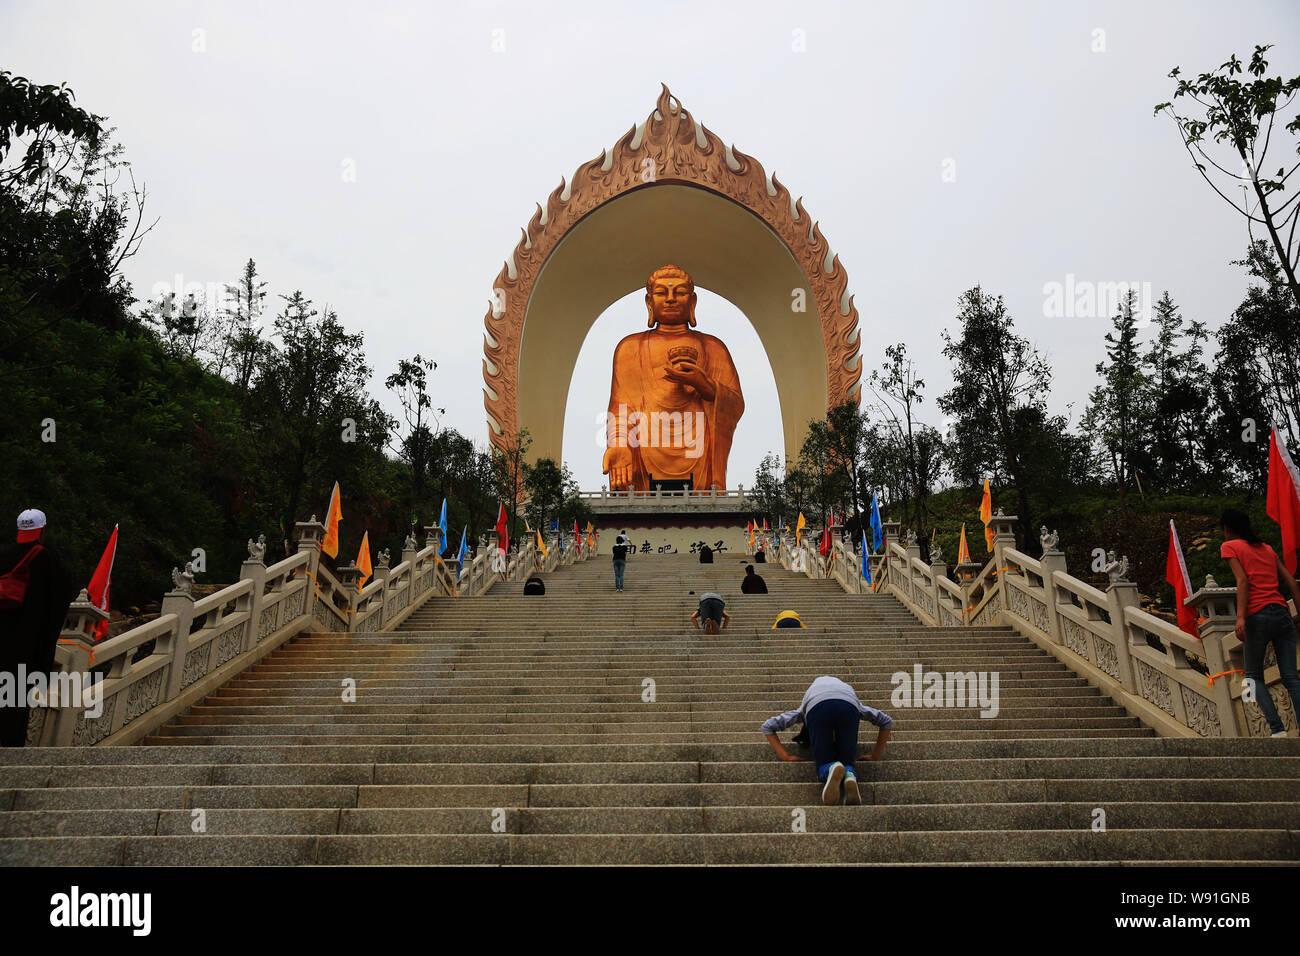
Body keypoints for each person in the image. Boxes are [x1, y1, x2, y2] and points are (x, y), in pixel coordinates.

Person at [1221, 508, 1300, 737]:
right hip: (1282, 613)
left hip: (1258, 616)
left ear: (1227, 529)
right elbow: (1293, 584)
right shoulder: (1267, 549)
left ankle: (1277, 730)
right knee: (1291, 677)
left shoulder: (1229, 547)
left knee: (1253, 678)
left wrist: (1240, 617)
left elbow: (1242, 580)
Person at [0, 509, 74, 747]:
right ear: (41, 531)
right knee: (15, 695)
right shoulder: (46, 559)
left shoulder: (3, 555)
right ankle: (10, 746)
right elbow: (59, 601)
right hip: (24, 643)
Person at [762, 676, 893, 805]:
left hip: (817, 707)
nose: (833, 740)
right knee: (848, 762)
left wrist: (786, 756)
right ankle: (849, 775)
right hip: (848, 705)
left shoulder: (802, 711)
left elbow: (768, 726)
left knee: (823, 764)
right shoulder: (857, 705)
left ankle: (830, 768)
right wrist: (875, 755)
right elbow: (886, 721)